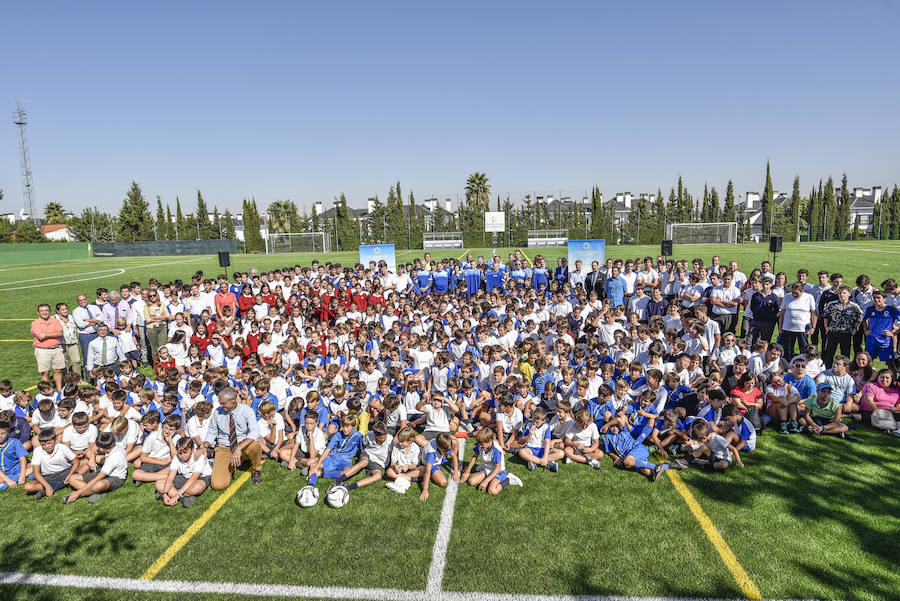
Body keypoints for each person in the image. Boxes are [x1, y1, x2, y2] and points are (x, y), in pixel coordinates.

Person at [201, 387, 263, 489]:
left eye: (223, 403)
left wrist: (238, 448)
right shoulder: (217, 412)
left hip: (243, 445)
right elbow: (212, 431)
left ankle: (256, 470)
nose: (221, 405)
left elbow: (254, 432)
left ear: (233, 400)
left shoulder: (247, 410)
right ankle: (234, 465)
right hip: (224, 447)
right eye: (220, 403)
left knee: (255, 446)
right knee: (218, 485)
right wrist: (205, 445)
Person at [62, 431, 127, 504]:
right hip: (104, 472)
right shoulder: (116, 445)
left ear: (103, 448)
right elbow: (95, 448)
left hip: (116, 478)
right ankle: (96, 492)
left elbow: (97, 478)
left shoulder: (113, 458)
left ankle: (77, 495)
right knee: (72, 478)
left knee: (99, 484)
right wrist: (92, 458)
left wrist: (77, 493)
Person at [155, 437, 212, 508]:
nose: (182, 456)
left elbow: (194, 478)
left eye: (185, 452)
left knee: (198, 487)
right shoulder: (176, 458)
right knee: (158, 484)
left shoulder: (199, 456)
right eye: (180, 453)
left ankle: (175, 495)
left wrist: (176, 496)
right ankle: (185, 499)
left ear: (192, 449)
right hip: (184, 477)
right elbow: (170, 478)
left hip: (201, 478)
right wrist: (165, 494)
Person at [821, 285, 862, 368]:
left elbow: (860, 317)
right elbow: (825, 315)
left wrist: (855, 328)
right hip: (833, 332)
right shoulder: (832, 304)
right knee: (829, 353)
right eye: (840, 293)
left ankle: (844, 370)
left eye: (844, 293)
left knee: (845, 354)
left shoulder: (854, 306)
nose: (842, 295)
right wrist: (826, 327)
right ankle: (828, 369)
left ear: (849, 294)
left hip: (846, 333)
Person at [31, 303, 66, 392]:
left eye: (46, 310)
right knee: (46, 372)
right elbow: (40, 336)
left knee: (57, 371)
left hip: (56, 349)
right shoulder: (35, 323)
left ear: (49, 311)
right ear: (38, 313)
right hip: (42, 350)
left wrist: (46, 334)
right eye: (42, 311)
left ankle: (59, 390)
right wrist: (53, 334)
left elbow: (60, 333)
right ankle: (46, 391)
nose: (44, 312)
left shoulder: (55, 321)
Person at [778, 283, 817, 359]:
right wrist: (780, 327)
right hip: (788, 328)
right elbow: (782, 313)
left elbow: (814, 313)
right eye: (792, 292)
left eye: (796, 293)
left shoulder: (809, 297)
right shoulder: (787, 297)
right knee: (788, 350)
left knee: (804, 349)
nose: (794, 295)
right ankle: (788, 366)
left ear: (802, 291)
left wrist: (813, 327)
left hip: (802, 328)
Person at [55, 302, 82, 377]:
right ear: (58, 311)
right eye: (62, 309)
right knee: (64, 363)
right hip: (61, 344)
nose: (65, 311)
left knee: (77, 361)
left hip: (73, 342)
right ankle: (66, 380)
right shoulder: (54, 318)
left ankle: (78, 379)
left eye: (66, 309)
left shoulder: (71, 317)